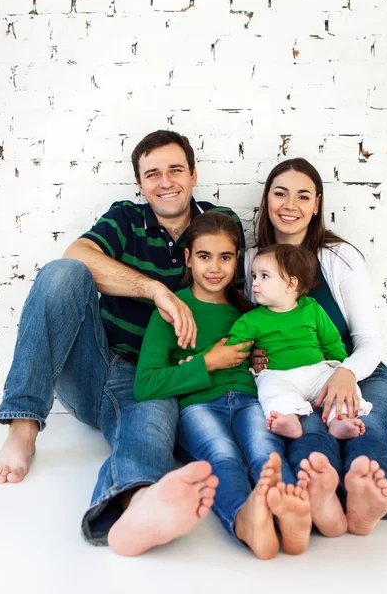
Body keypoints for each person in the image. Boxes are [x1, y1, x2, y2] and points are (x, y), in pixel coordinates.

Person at [0, 129, 252, 555]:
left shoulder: (218, 224)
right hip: (95, 361)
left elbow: (236, 301)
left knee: (146, 428)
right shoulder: (127, 217)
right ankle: (22, 427)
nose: (165, 182)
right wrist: (155, 290)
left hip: (156, 375)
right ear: (141, 184)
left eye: (175, 170)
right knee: (62, 272)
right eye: (153, 174)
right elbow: (79, 255)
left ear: (194, 174)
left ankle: (139, 504)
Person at [246, 157, 387, 536]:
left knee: (362, 423)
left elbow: (370, 341)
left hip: (360, 371)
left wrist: (345, 373)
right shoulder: (254, 260)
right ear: (267, 199)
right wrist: (255, 356)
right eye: (280, 194)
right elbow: (254, 325)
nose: (290, 205)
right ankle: (319, 497)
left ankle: (366, 493)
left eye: (303, 196)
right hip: (294, 377)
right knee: (306, 429)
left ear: (317, 205)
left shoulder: (338, 257)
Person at [134, 211, 312, 560]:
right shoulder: (172, 310)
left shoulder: (249, 310)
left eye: (226, 257)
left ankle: (290, 512)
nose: (215, 267)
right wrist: (207, 362)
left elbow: (279, 355)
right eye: (204, 256)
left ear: (238, 261)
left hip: (248, 400)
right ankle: (244, 519)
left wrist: (261, 361)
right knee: (223, 455)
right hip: (198, 407)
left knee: (265, 451)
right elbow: (145, 384)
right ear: (188, 258)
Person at [226, 242, 372, 441]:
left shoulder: (311, 308)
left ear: (291, 284)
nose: (256, 283)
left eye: (264, 276)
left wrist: (343, 366)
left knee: (340, 387)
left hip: (317, 370)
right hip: (278, 375)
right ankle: (288, 419)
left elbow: (331, 340)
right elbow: (233, 350)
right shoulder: (250, 320)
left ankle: (340, 419)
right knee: (271, 391)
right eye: (254, 276)